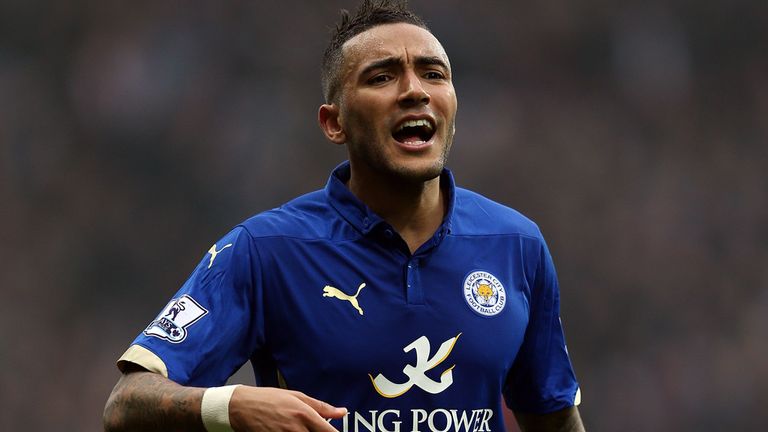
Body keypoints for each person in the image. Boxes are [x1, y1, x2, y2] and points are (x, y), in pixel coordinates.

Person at [103, 1, 584, 431]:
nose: (415, 91)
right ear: (334, 123)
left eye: (434, 73)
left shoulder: (515, 244)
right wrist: (231, 407)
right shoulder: (266, 250)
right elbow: (126, 405)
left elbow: (554, 417)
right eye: (382, 76)